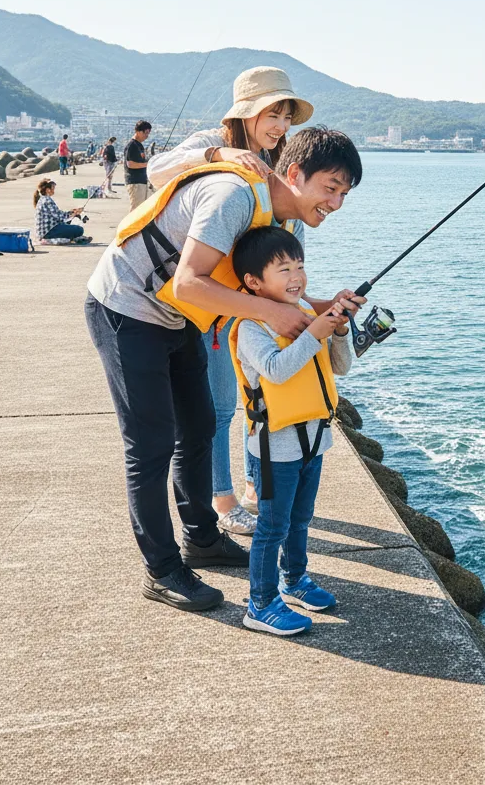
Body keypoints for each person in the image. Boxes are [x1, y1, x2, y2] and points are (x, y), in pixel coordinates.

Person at [84, 125, 364, 612]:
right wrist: (272, 314)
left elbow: (258, 290)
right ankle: (163, 569)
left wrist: (324, 305)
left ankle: (202, 539)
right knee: (149, 444)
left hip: (177, 317)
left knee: (197, 429)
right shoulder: (235, 196)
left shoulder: (273, 213)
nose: (336, 204)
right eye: (330, 188)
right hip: (126, 308)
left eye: (344, 193)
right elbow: (192, 284)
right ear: (294, 173)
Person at [147, 66, 312, 534]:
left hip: (257, 301)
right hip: (215, 306)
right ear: (246, 113)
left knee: (258, 397)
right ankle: (222, 499)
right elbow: (155, 170)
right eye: (271, 113)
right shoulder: (211, 142)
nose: (279, 125)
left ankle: (257, 484)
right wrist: (221, 152)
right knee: (220, 406)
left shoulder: (277, 161)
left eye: (285, 115)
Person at [230, 226, 352, 637]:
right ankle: (260, 603)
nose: (296, 276)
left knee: (301, 519)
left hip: (314, 438)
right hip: (274, 446)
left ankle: (294, 579)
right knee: (271, 526)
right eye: (283, 268)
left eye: (300, 265)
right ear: (253, 282)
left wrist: (337, 329)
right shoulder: (251, 326)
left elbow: (340, 367)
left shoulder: (304, 312)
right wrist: (316, 330)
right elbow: (277, 370)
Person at [33, 178, 89, 242]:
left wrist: (72, 212)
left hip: (45, 231)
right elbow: (60, 217)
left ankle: (69, 237)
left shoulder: (43, 199)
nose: (54, 190)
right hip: (47, 232)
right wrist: (74, 213)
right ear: (48, 190)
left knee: (68, 224)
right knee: (79, 230)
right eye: (53, 188)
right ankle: (67, 238)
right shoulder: (47, 200)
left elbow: (57, 214)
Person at [124, 120, 153, 211]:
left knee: (142, 210)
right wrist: (147, 164)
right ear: (138, 132)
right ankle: (131, 225)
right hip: (135, 182)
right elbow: (131, 164)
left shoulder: (139, 145)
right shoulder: (132, 145)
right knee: (135, 209)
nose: (147, 136)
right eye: (146, 133)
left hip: (141, 181)